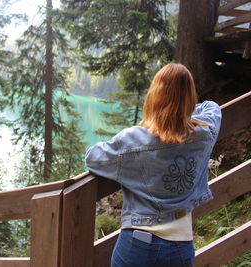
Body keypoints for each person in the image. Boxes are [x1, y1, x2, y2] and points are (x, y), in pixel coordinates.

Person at [85, 63, 222, 267]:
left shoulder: (134, 139)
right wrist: (184, 114)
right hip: (180, 248)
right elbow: (212, 107)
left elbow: (93, 158)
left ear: (154, 96)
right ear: (189, 97)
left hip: (136, 245)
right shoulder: (204, 133)